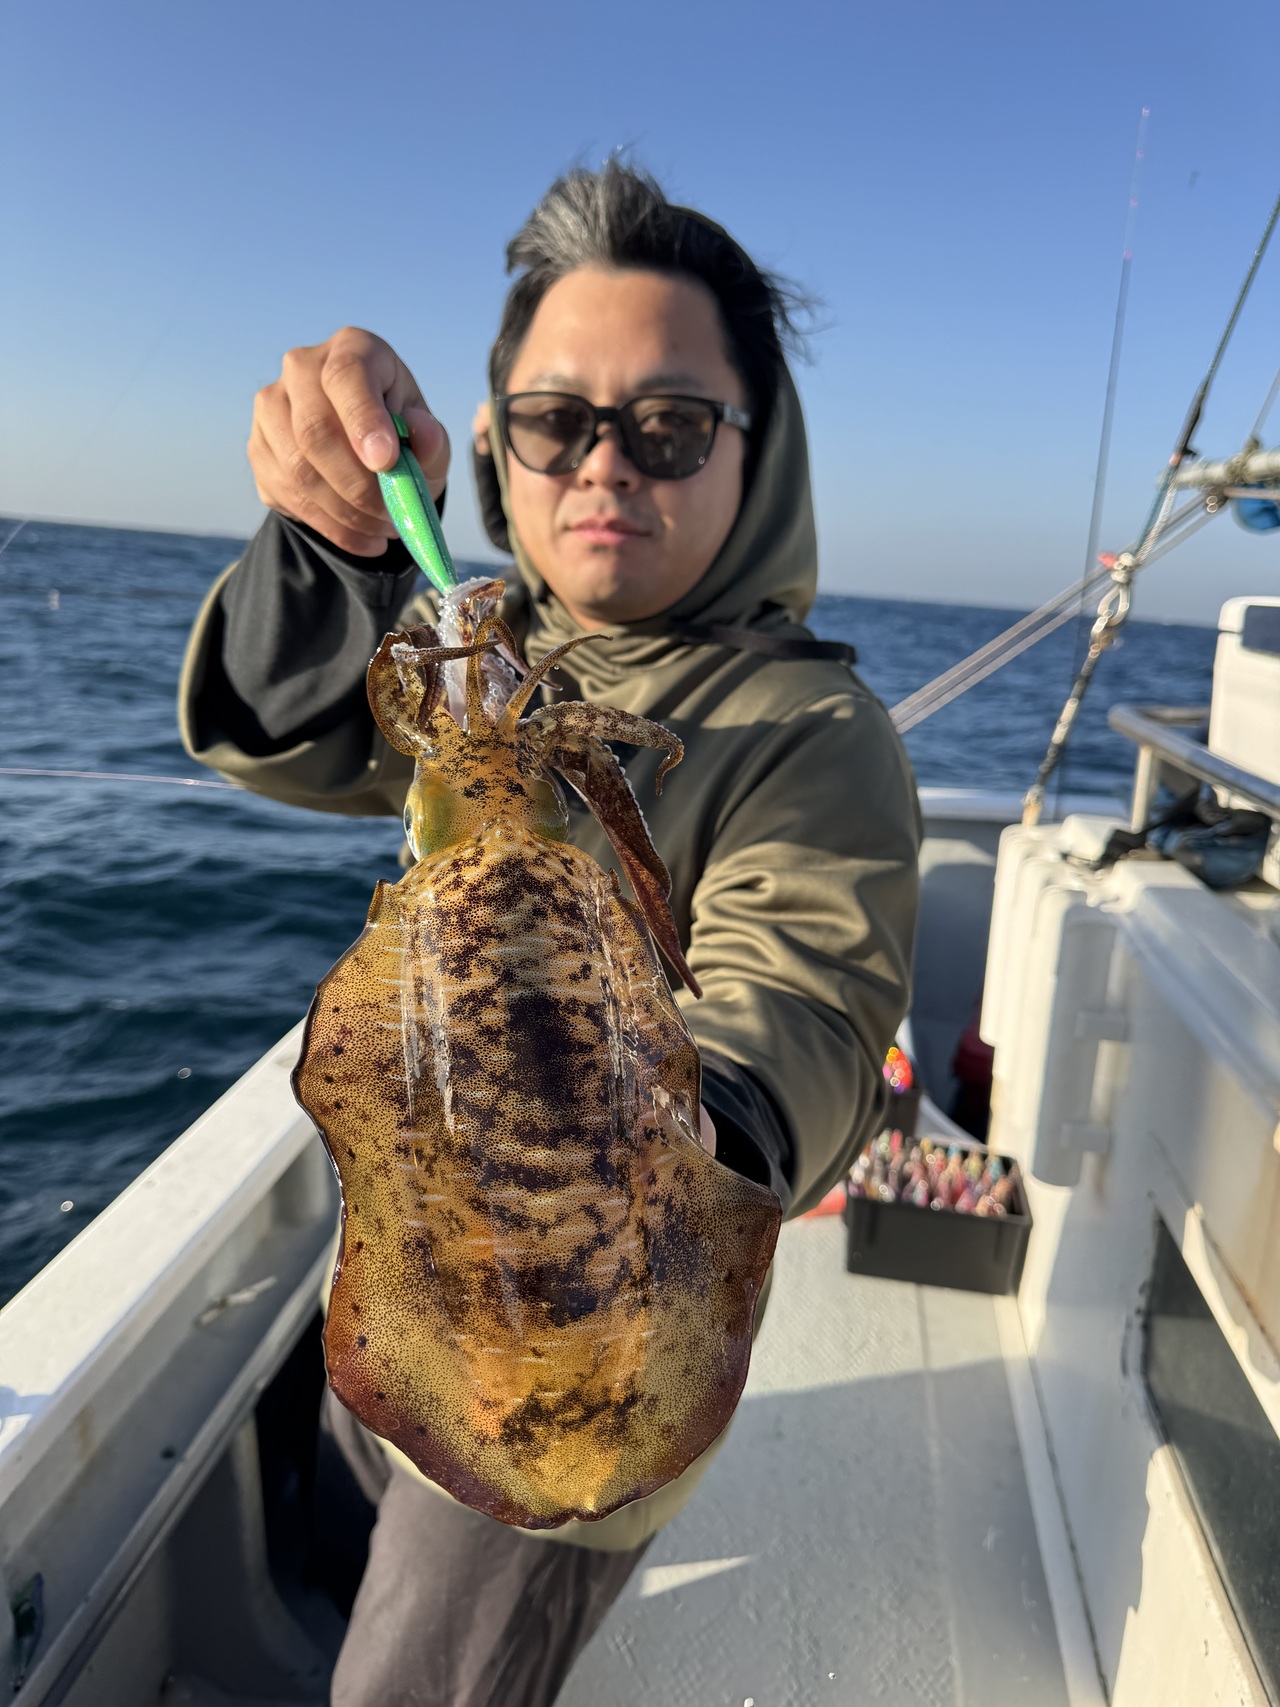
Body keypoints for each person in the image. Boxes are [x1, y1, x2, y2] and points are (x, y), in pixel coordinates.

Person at [180, 160, 920, 1707]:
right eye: (554, 422)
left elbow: (805, 1012)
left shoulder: (814, 732)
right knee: (343, 1516)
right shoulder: (485, 659)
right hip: (407, 1257)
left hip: (598, 1346)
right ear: (494, 443)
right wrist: (337, 548)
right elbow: (284, 729)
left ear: (755, 451)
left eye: (668, 428)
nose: (604, 466)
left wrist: (632, 1146)